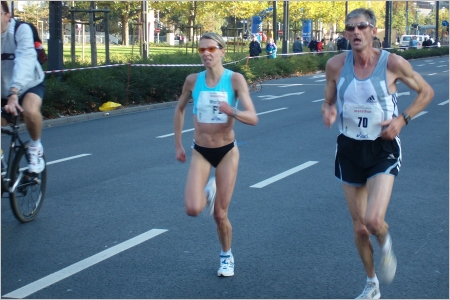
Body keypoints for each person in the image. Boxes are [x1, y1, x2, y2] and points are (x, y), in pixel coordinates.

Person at [321, 8, 434, 299]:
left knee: (373, 221)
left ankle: (385, 243)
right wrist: (329, 110)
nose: (355, 32)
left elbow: (426, 92)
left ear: (373, 31)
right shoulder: (335, 65)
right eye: (350, 28)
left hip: (382, 147)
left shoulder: (392, 63)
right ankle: (372, 284)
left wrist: (402, 119)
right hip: (349, 148)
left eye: (361, 27)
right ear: (345, 34)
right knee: (359, 229)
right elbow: (328, 99)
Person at [174, 32, 258, 277]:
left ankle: (226, 256)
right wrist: (178, 144)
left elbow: (253, 117)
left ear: (222, 51)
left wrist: (232, 110)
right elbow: (179, 110)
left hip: (226, 152)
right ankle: (209, 191)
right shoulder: (192, 80)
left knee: (220, 214)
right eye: (202, 50)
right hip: (200, 150)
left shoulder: (235, 80)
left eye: (211, 48)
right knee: (192, 208)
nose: (206, 53)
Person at [1, 1, 46, 174]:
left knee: (30, 111)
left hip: (28, 84)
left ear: (7, 16)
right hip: (3, 89)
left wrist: (14, 92)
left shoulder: (21, 30)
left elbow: (25, 60)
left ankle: (35, 147)